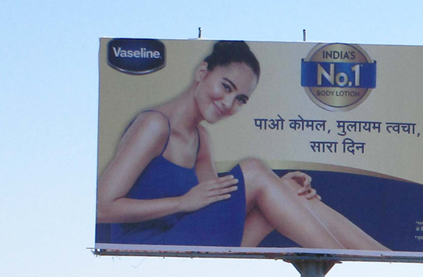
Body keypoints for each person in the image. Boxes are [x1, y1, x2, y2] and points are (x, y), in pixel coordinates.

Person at [96, 40, 386, 251]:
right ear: (202, 72)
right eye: (226, 86)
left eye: (241, 100)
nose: (228, 103)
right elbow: (102, 208)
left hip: (189, 240)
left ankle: (380, 257)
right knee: (254, 169)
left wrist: (278, 187)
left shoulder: (201, 139)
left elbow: (218, 203)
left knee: (289, 189)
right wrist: (181, 203)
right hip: (152, 245)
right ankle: (353, 264)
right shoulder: (154, 125)